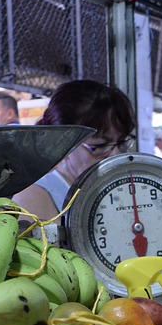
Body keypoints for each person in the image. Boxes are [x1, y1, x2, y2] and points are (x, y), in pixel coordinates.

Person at [12, 79, 136, 221]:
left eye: (121, 143)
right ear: (63, 144)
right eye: (100, 146)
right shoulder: (32, 199)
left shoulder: (116, 193)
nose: (116, 154)